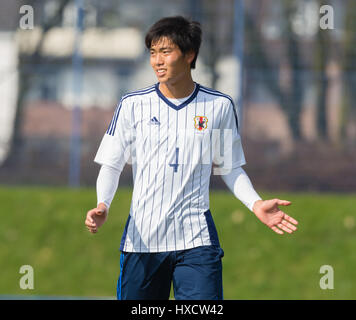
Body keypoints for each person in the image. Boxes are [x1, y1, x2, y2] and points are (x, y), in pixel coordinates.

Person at [84, 16, 298, 300]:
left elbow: (230, 168)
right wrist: (103, 205)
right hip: (142, 241)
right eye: (153, 52)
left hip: (196, 242)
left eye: (166, 52)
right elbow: (112, 164)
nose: (157, 61)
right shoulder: (132, 105)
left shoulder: (219, 106)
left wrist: (256, 204)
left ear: (189, 55)